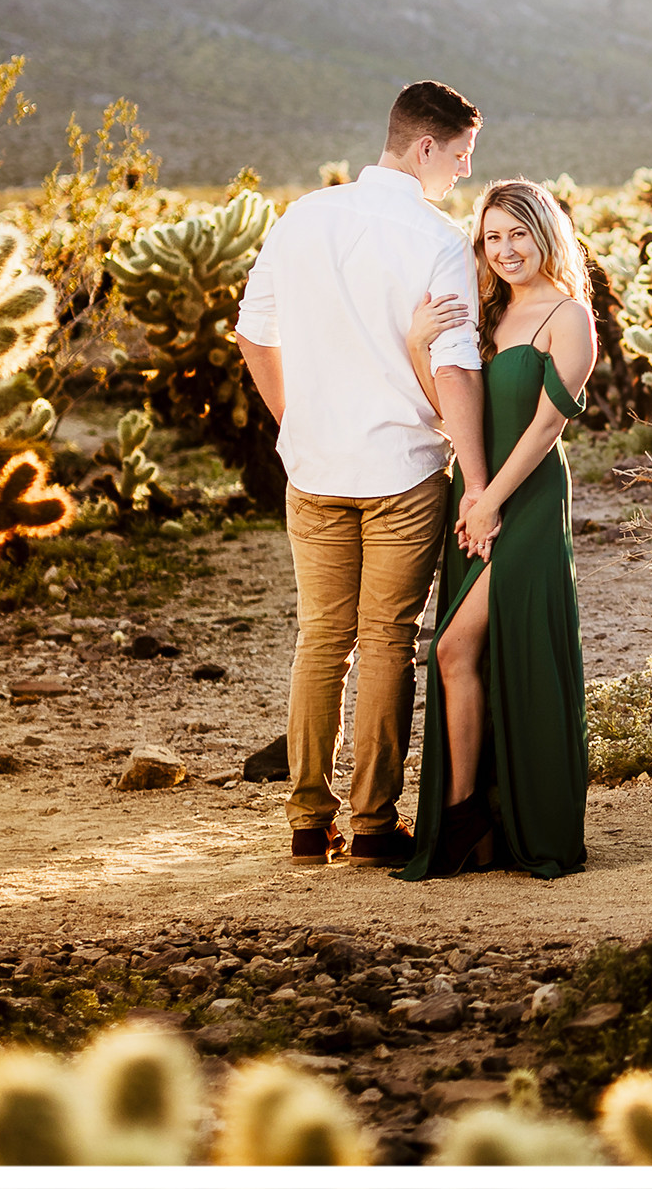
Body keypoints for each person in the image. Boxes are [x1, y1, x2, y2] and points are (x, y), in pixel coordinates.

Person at [232, 81, 488, 867]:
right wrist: (474, 471)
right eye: (460, 158)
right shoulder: (440, 241)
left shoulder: (305, 214)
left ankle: (308, 822)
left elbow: (252, 334)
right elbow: (452, 365)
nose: (462, 174)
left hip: (312, 467)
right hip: (402, 469)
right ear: (425, 148)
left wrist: (293, 422)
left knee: (320, 642)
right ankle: (374, 824)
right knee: (384, 644)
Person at [392, 177, 598, 880]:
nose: (505, 250)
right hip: (476, 496)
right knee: (462, 656)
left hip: (529, 499)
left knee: (454, 647)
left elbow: (547, 426)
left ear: (545, 234)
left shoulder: (567, 317)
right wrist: (422, 349)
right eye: (492, 238)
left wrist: (490, 501)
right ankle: (470, 821)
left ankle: (480, 821)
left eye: (518, 234)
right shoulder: (483, 317)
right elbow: (452, 409)